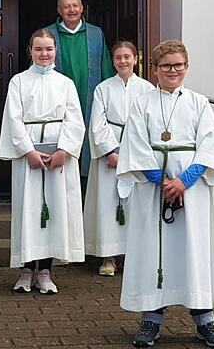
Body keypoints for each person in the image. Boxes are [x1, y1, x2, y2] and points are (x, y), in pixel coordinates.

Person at [116, 40, 214, 348]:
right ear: (154, 70)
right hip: (154, 190)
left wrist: (185, 181)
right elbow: (135, 147)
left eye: (179, 65)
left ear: (187, 67)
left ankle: (205, 321)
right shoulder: (142, 103)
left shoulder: (198, 102)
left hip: (192, 191)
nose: (173, 70)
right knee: (155, 251)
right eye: (166, 65)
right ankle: (151, 320)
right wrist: (161, 181)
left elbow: (209, 146)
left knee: (195, 250)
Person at [0, 29, 85, 295]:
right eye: (39, 49)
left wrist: (65, 151)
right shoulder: (19, 82)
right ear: (30, 51)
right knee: (29, 209)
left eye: (48, 49)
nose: (44, 54)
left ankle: (45, 270)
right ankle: (26, 270)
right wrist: (28, 151)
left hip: (58, 155)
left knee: (54, 210)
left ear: (55, 50)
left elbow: (74, 120)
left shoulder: (66, 83)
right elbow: (13, 118)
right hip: (30, 155)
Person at [84, 41, 154, 276]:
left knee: (137, 203)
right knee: (107, 203)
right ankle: (108, 257)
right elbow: (97, 123)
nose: (123, 61)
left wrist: (132, 154)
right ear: (112, 61)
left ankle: (136, 255)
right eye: (118, 57)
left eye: (127, 57)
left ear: (136, 59)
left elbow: (150, 124)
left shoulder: (147, 89)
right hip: (110, 154)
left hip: (136, 153)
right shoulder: (103, 88)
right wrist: (110, 151)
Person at [45, 0, 115, 180]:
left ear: (82, 7)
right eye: (66, 6)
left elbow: (106, 67)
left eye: (75, 5)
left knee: (87, 143)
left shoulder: (95, 34)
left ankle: (86, 197)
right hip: (58, 101)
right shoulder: (48, 34)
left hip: (89, 99)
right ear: (59, 10)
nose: (72, 9)